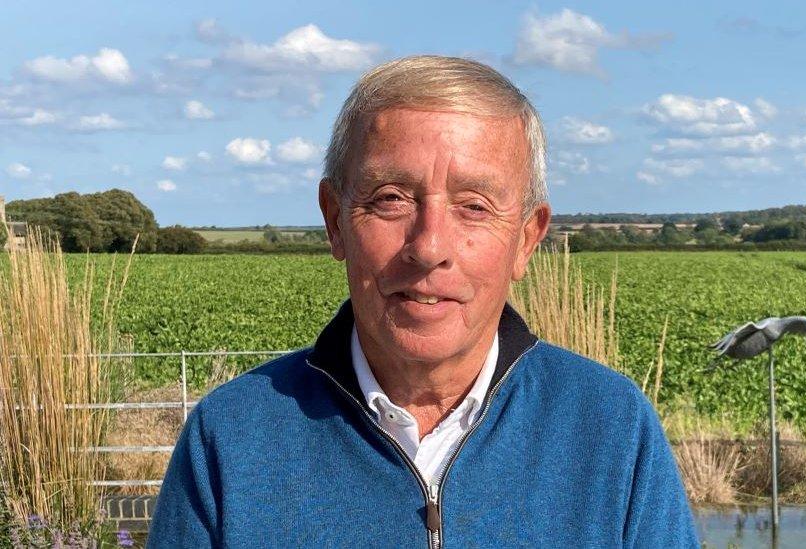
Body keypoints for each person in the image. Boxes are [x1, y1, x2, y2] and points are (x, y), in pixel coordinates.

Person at [148, 55, 699, 548]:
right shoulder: (232, 438)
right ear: (334, 220)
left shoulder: (610, 429)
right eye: (391, 199)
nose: (429, 246)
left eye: (475, 206)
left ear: (527, 239)